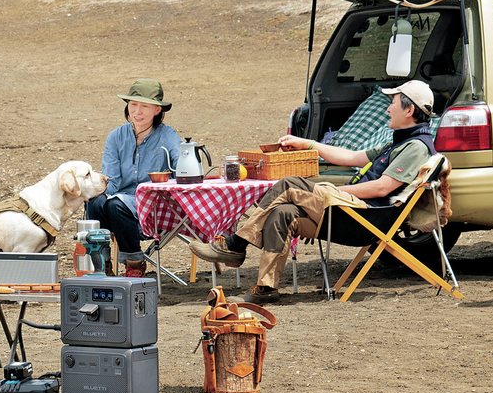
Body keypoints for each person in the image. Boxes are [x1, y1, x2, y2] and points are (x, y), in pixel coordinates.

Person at [187, 80, 438, 302]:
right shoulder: (399, 142)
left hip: (364, 218)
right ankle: (266, 289)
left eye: (392, 103)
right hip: (351, 213)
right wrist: (307, 144)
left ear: (409, 110)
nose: (387, 108)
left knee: (288, 184)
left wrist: (336, 191)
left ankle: (235, 244)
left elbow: (383, 187)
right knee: (283, 213)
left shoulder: (416, 147)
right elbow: (351, 156)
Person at [84, 79, 183, 277]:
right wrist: (102, 200)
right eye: (133, 105)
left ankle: (134, 263)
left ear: (157, 110)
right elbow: (111, 181)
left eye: (144, 106)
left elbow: (182, 167)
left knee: (115, 205)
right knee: (96, 201)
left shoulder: (168, 135)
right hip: (119, 207)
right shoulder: (116, 137)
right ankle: (101, 263)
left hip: (154, 206)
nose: (137, 111)